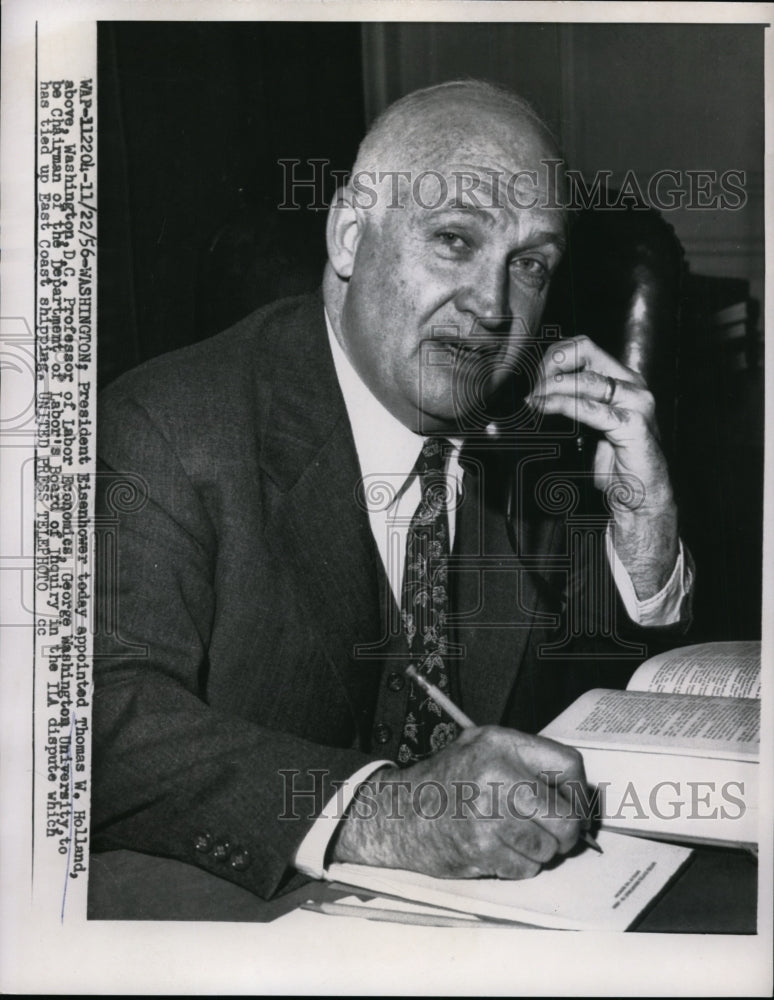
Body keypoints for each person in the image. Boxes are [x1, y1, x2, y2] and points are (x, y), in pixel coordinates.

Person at [90, 80, 691, 915]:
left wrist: (643, 532)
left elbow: (591, 718)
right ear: (348, 233)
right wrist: (385, 812)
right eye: (454, 239)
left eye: (530, 265)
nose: (491, 308)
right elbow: (99, 722)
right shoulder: (164, 427)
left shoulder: (532, 447)